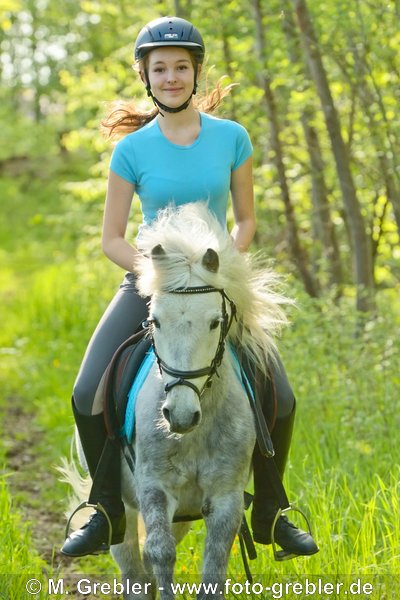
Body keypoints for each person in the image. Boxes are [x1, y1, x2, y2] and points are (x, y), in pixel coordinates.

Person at [61, 16, 318, 559]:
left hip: (216, 281)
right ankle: (105, 508)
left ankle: (273, 511)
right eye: (161, 69)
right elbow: (111, 237)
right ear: (146, 77)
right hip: (151, 281)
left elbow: (246, 221)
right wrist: (157, 274)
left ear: (196, 73)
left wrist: (222, 261)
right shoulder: (132, 150)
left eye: (181, 67)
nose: (172, 76)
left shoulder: (232, 138)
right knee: (87, 391)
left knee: (284, 396)